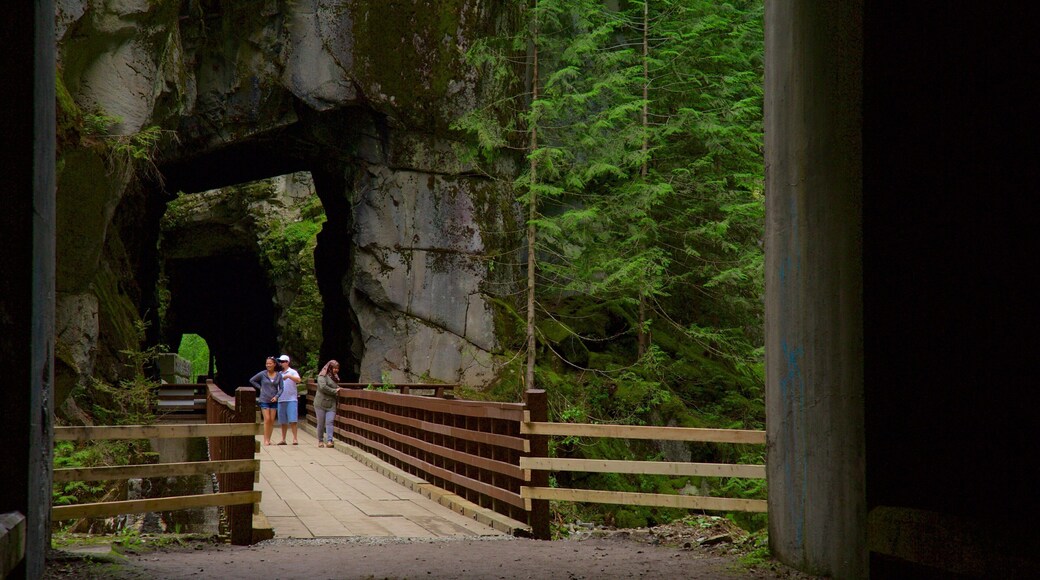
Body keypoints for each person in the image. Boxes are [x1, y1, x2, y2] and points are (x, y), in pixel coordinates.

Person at [249, 357, 284, 446]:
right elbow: (252, 380)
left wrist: (276, 397)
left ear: (274, 364)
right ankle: (265, 440)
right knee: (267, 419)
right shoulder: (263, 374)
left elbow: (281, 388)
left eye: (270, 363)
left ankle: (269, 439)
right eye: (267, 363)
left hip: (274, 400)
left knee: (272, 420)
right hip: (264, 399)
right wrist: (260, 387)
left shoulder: (279, 375)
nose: (268, 365)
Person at [276, 354, 303, 445]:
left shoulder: (292, 372)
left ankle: (295, 438)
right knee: (283, 421)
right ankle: (283, 439)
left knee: (293, 420)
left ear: (287, 362)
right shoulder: (279, 374)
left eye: (283, 362)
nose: (281, 363)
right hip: (281, 399)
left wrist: (289, 376)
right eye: (280, 362)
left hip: (291, 398)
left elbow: (299, 380)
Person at [314, 359, 341, 448]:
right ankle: (320, 441)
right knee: (321, 422)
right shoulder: (322, 376)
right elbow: (323, 387)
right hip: (320, 403)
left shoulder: (335, 377)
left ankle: (329, 440)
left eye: (337, 368)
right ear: (330, 368)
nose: (336, 370)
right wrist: (334, 391)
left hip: (331, 404)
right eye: (334, 368)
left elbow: (337, 387)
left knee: (330, 421)